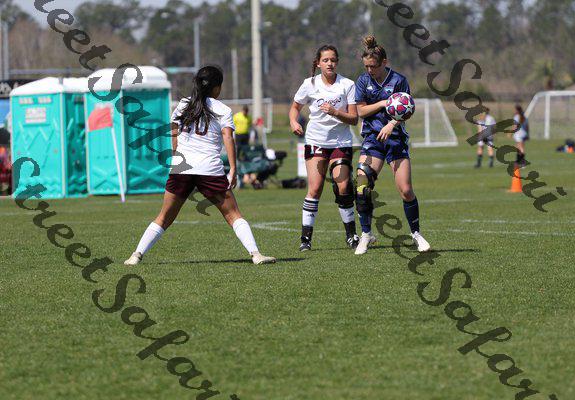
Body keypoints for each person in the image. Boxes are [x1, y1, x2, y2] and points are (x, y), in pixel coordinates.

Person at [124, 66, 276, 266]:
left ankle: (136, 255)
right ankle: (256, 254)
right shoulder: (223, 109)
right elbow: (228, 138)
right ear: (217, 87)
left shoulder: (183, 104)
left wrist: (176, 155)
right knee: (233, 215)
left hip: (182, 169)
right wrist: (233, 169)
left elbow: (174, 131)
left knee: (164, 217)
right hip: (209, 170)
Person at [353, 35, 431, 255]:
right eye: (366, 66)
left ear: (384, 62)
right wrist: (381, 103)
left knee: (406, 190)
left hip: (395, 140)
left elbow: (408, 109)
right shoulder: (363, 81)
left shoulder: (398, 80)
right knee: (362, 185)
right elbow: (361, 111)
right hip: (372, 139)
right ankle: (366, 234)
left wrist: (392, 123)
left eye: (374, 66)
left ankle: (416, 234)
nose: (370, 70)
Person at [289, 44, 360, 251]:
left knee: (344, 186)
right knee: (315, 188)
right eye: (326, 60)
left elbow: (354, 119)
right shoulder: (309, 84)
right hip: (316, 141)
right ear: (318, 63)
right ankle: (305, 239)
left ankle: (351, 235)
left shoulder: (347, 84)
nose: (330, 63)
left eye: (333, 60)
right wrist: (293, 122)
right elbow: (295, 107)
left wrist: (336, 112)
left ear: (338, 62)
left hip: (340, 142)